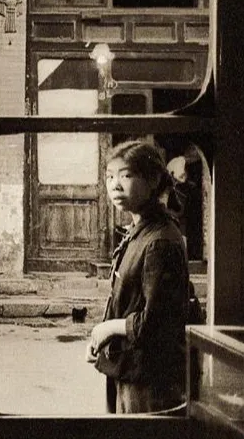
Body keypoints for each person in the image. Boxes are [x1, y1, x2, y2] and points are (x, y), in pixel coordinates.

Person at [86, 140, 191, 414]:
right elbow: (127, 300)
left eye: (126, 175)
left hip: (148, 379)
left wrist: (108, 329)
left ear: (153, 179)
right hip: (129, 368)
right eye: (109, 176)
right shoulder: (140, 231)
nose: (114, 185)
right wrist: (103, 339)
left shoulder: (159, 240)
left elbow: (157, 321)